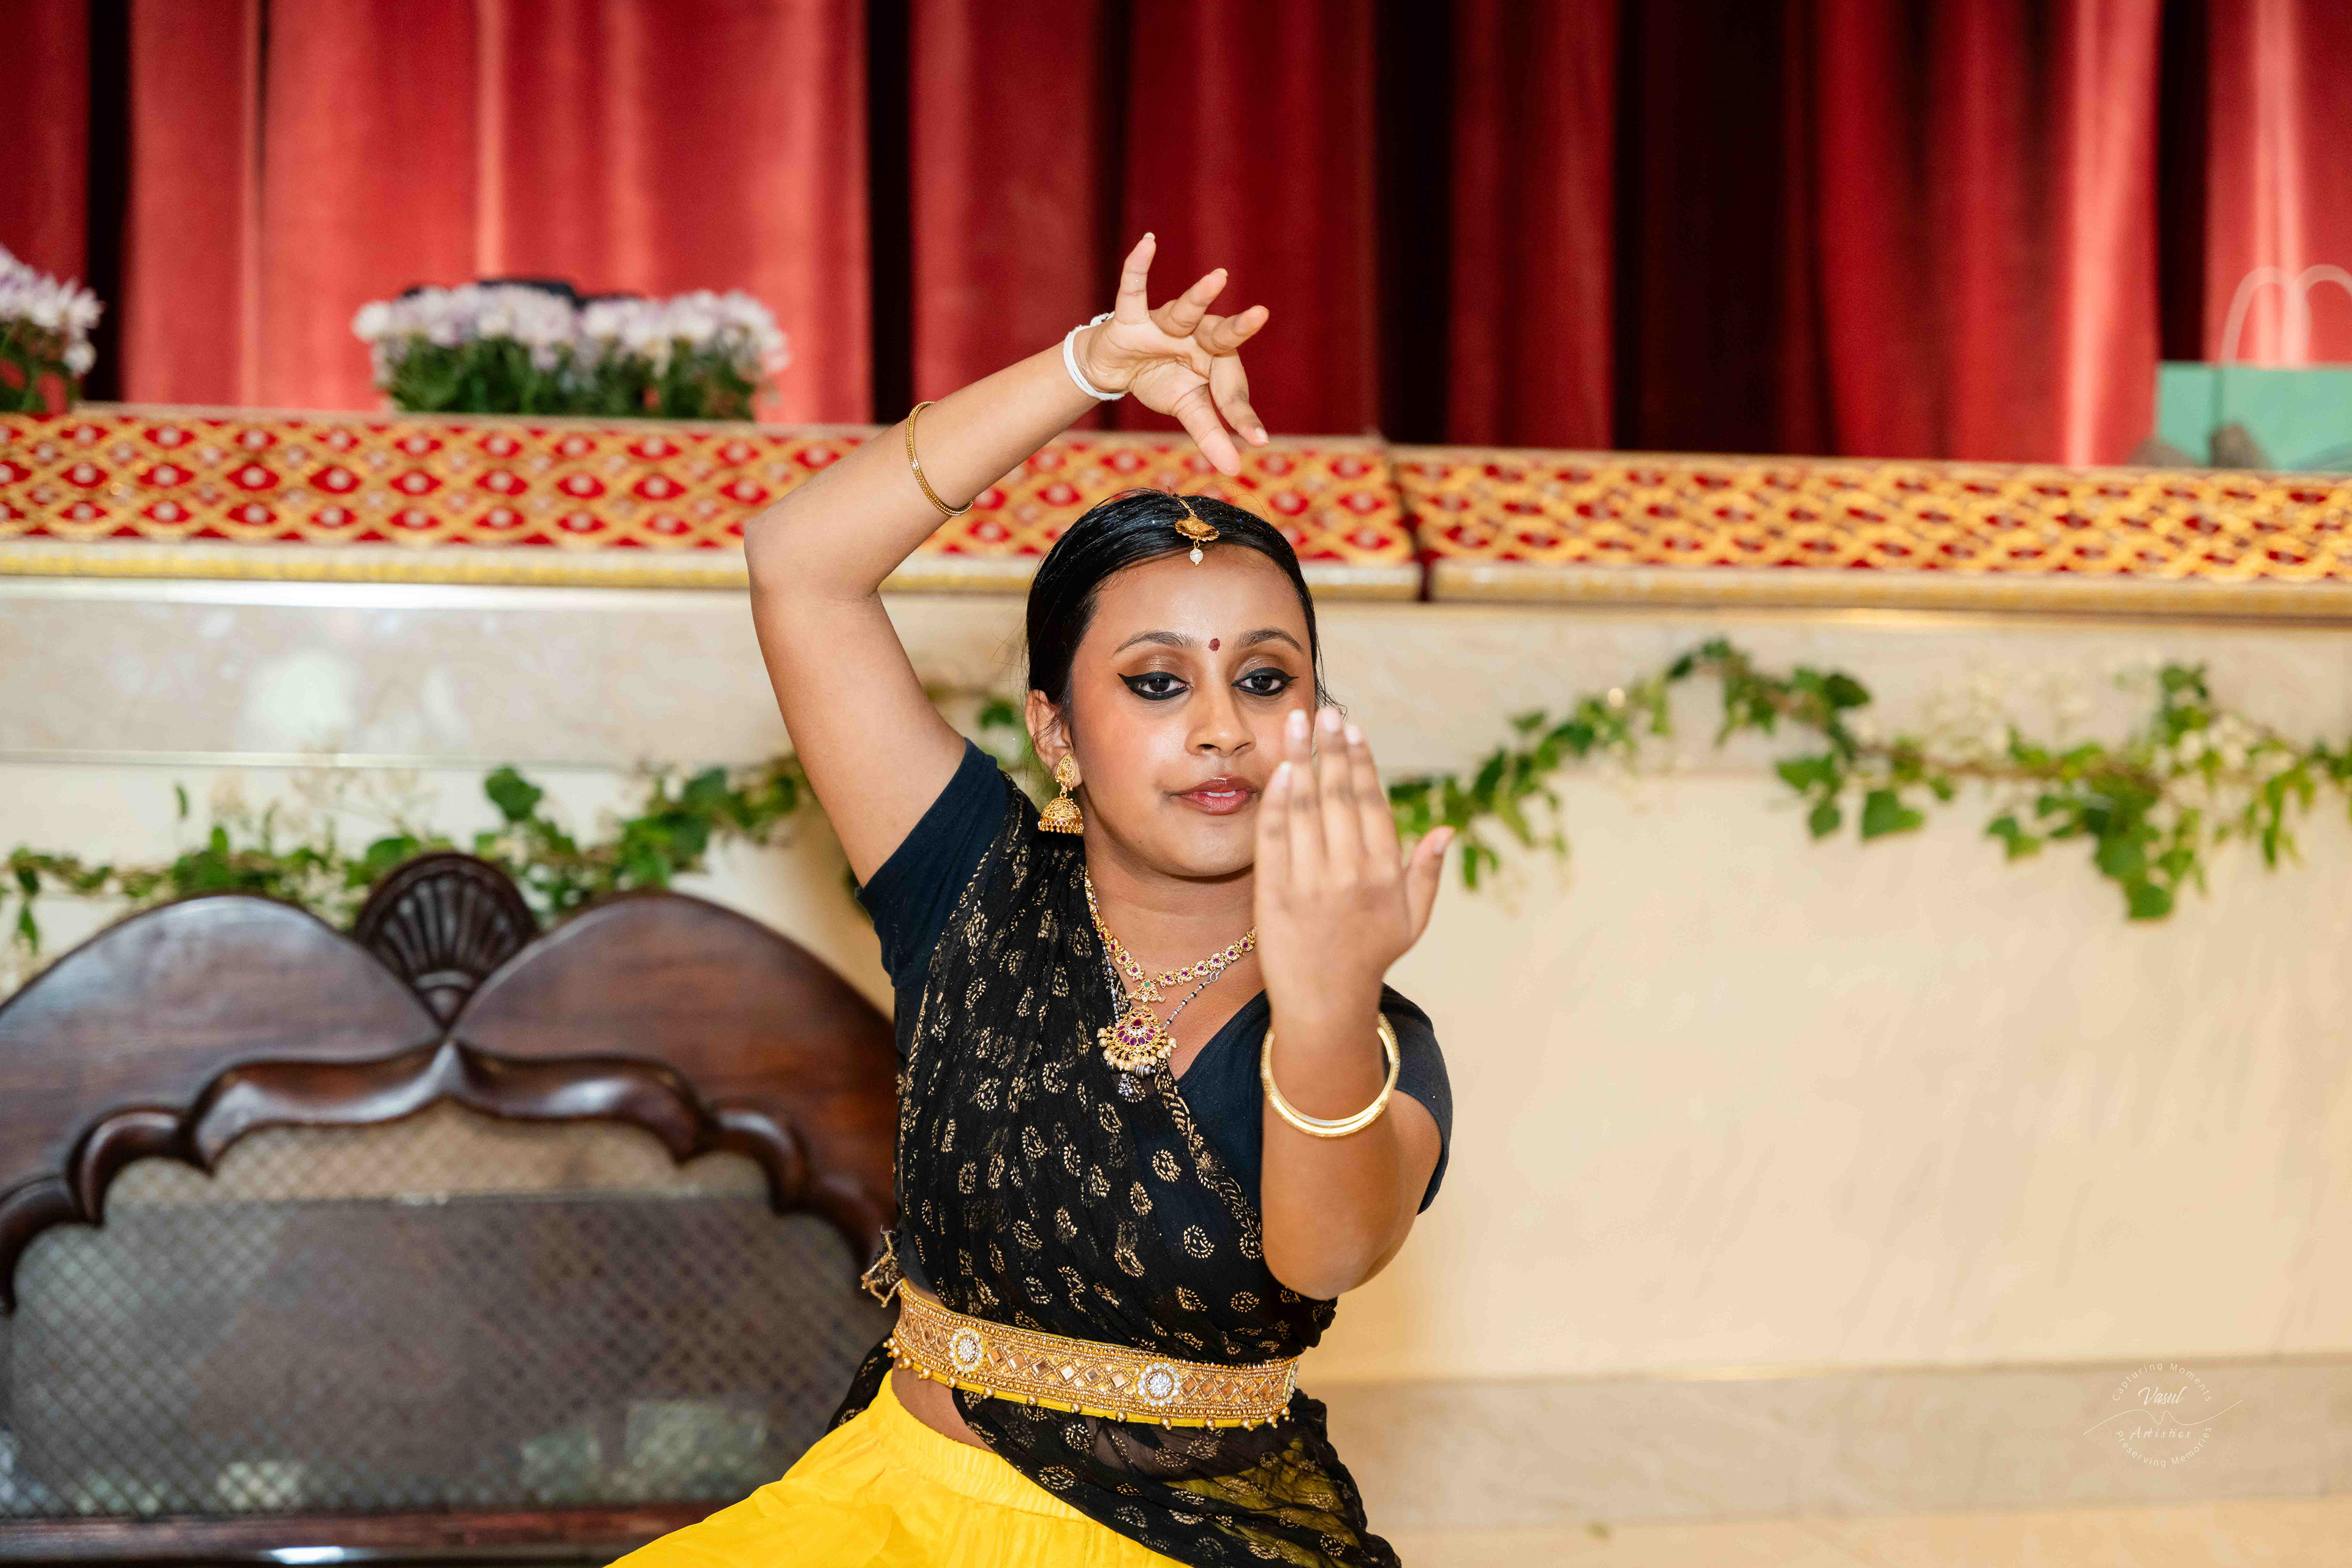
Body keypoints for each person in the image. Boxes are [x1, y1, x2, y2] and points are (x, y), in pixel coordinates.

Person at [614, 235, 1457, 1568]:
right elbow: (800, 562)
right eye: (1158, 682)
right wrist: (1086, 367)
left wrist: (1326, 1002)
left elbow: (1328, 1257)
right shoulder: (973, 884)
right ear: (1056, 732)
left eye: (1265, 678)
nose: (1222, 728)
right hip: (882, 1511)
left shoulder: (1374, 1036)